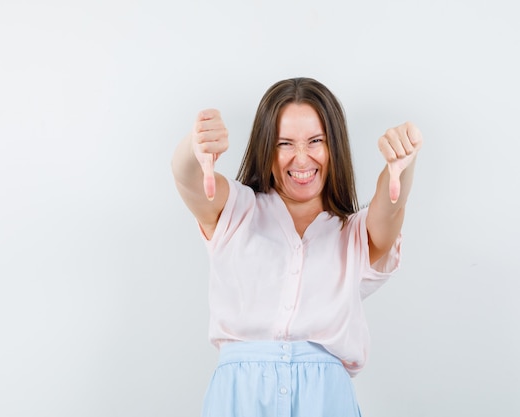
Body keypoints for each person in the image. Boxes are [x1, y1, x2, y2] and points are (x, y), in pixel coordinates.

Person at [171, 77, 422, 417]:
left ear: (334, 146)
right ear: (266, 149)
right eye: (284, 143)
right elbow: (188, 178)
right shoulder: (235, 211)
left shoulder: (353, 233)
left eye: (315, 141)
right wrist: (194, 145)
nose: (301, 159)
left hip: (326, 401)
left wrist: (401, 167)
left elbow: (389, 206)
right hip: (239, 399)